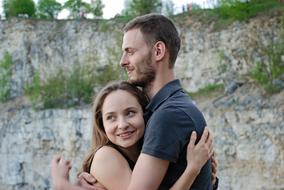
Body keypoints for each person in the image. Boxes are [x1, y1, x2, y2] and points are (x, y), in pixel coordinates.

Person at [79, 13, 219, 190]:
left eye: (130, 51)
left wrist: (195, 170)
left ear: (158, 51)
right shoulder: (166, 109)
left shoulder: (169, 114)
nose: (122, 61)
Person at [51, 81, 214, 190]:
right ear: (102, 124)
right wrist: (193, 169)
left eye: (130, 113)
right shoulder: (105, 157)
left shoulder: (149, 158)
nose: (122, 124)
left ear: (145, 114)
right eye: (111, 117)